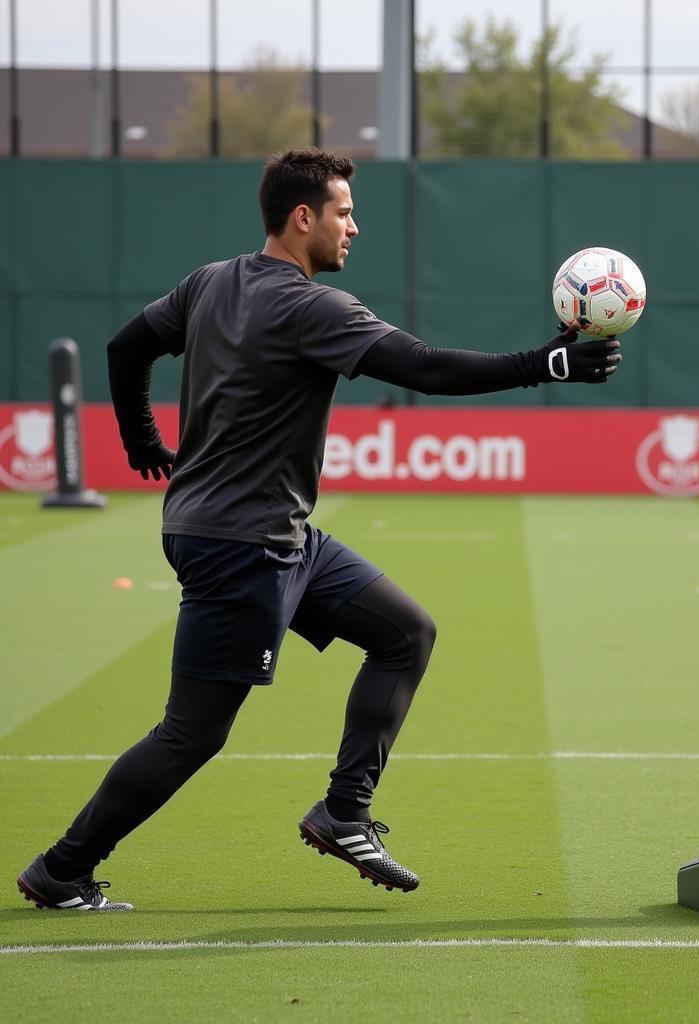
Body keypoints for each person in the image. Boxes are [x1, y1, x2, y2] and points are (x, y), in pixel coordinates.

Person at [16, 148, 621, 911]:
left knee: (406, 633)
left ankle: (344, 812)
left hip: (276, 537)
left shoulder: (209, 282)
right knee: (191, 733)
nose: (354, 228)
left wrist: (142, 442)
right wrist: (546, 365)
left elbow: (124, 347)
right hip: (241, 547)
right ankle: (62, 868)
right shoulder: (312, 308)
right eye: (343, 213)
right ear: (302, 218)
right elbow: (425, 367)